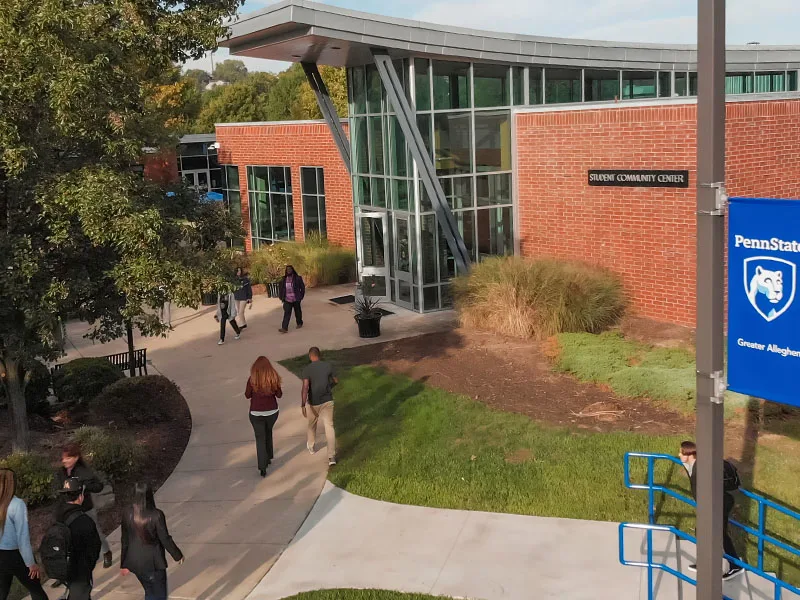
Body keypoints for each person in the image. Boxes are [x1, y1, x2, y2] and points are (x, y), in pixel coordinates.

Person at [679, 440, 743, 580]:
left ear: (688, 455)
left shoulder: (701, 469)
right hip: (711, 504)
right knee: (701, 531)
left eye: (681, 452)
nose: (678, 454)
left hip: (718, 504)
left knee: (720, 535)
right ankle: (704, 562)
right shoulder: (694, 464)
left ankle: (736, 565)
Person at [120, 483, 184, 600]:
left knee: (149, 591)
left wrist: (123, 563)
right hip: (153, 564)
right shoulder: (156, 515)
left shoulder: (127, 513)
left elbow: (124, 540)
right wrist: (177, 555)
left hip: (135, 563)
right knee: (159, 595)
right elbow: (165, 538)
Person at [55, 443, 112, 569]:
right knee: (68, 537)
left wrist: (85, 487)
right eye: (63, 458)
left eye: (68, 458)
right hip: (68, 510)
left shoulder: (84, 471)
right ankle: (66, 567)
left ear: (75, 458)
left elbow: (98, 486)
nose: (64, 461)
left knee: (95, 531)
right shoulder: (61, 473)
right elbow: (58, 489)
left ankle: (106, 552)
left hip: (85, 508)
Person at [0, 469, 47, 600]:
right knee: (37, 591)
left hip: (1, 556)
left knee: (2, 592)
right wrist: (31, 563)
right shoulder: (17, 504)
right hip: (16, 555)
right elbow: (23, 538)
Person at [56, 478, 101, 600]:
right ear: (80, 496)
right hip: (80, 571)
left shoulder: (58, 516)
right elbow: (95, 547)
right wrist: (88, 565)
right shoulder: (85, 521)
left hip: (62, 567)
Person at [245, 357, 283, 477]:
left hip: (256, 413)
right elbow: (279, 395)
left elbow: (247, 395)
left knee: (260, 438)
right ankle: (269, 456)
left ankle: (262, 466)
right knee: (268, 431)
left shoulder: (252, 380)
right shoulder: (273, 378)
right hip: (272, 412)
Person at [301, 347, 338, 466]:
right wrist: (329, 387)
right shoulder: (328, 366)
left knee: (312, 424)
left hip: (313, 402)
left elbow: (305, 387)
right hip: (327, 400)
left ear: (310, 356)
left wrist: (303, 403)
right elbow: (336, 380)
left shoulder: (307, 369)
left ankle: (311, 446)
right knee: (329, 426)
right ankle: (331, 456)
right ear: (319, 355)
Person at [278, 265, 305, 333]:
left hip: (296, 299)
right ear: (286, 271)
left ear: (292, 270)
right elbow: (281, 289)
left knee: (297, 312)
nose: (289, 270)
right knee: (287, 313)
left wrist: (301, 296)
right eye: (287, 270)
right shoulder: (284, 279)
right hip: (287, 299)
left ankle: (299, 323)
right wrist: (281, 297)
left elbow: (302, 288)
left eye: (290, 269)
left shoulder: (298, 278)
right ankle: (284, 328)